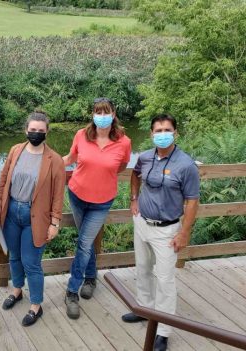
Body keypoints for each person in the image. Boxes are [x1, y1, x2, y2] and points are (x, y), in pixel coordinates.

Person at [121, 114, 199, 351]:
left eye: (167, 129)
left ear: (175, 133)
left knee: (165, 280)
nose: (162, 134)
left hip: (167, 230)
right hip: (142, 223)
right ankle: (144, 310)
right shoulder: (145, 157)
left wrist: (184, 233)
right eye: (158, 130)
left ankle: (163, 330)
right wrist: (134, 199)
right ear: (151, 134)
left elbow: (193, 201)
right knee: (143, 269)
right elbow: (134, 175)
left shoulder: (186, 165)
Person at [0, 111, 66, 326]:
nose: (36, 134)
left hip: (35, 216)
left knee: (31, 262)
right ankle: (17, 291)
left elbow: (58, 195)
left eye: (40, 131)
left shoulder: (54, 160)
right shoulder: (16, 150)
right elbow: (4, 177)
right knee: (14, 256)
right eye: (32, 130)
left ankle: (36, 305)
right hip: (12, 212)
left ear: (47, 132)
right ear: (26, 130)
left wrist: (55, 222)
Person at [63, 97, 131, 319]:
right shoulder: (82, 135)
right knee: (87, 241)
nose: (101, 116)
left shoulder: (124, 141)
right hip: (76, 194)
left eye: (106, 112)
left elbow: (121, 166)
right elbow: (70, 158)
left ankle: (72, 291)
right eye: (97, 112)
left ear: (113, 113)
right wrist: (45, 163)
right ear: (92, 114)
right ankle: (91, 278)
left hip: (102, 201)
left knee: (83, 243)